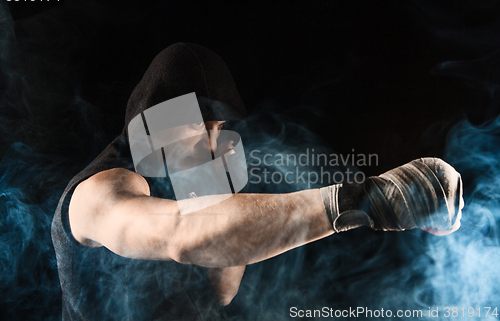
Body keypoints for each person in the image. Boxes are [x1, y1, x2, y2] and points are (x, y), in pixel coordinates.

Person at [52, 43, 463, 320]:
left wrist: (212, 188)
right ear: (153, 122)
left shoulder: (187, 178)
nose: (212, 140)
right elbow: (182, 235)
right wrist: (366, 201)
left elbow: (220, 292)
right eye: (198, 123)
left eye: (220, 126)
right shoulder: (99, 192)